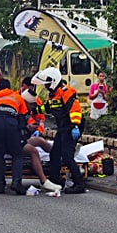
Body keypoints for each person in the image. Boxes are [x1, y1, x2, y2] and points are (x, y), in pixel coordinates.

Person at [32, 66, 86, 194]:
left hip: (71, 126)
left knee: (67, 156)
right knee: (55, 153)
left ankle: (79, 184)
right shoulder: (54, 95)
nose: (45, 87)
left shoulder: (65, 92)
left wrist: (75, 126)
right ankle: (55, 180)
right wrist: (33, 111)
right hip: (64, 126)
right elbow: (48, 108)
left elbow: (75, 109)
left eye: (46, 84)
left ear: (53, 81)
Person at [0, 78, 29, 195]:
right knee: (17, 154)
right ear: (9, 88)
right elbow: (24, 115)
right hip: (11, 121)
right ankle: (16, 183)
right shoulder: (16, 97)